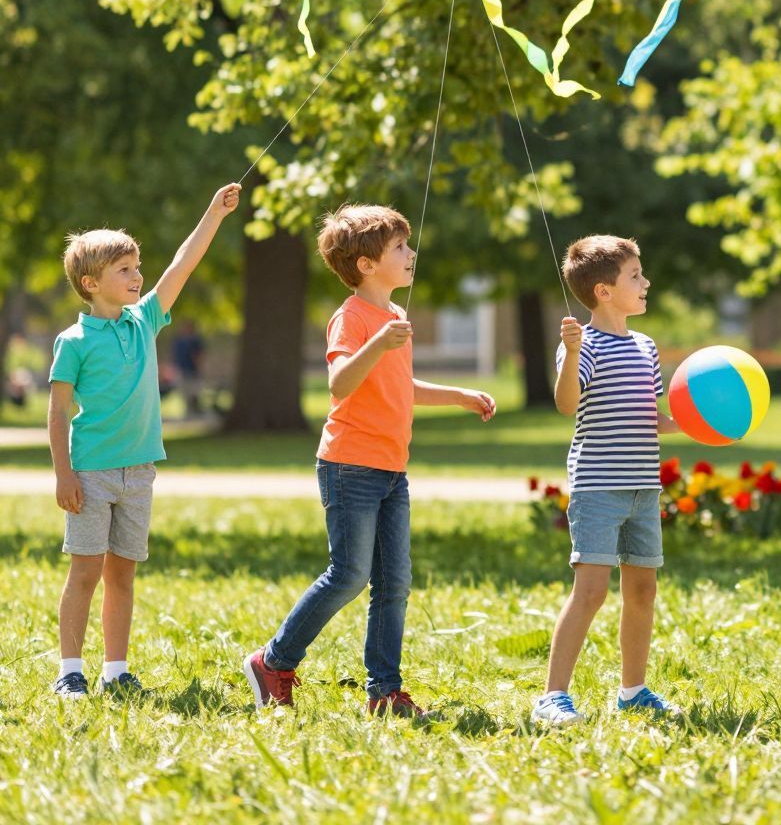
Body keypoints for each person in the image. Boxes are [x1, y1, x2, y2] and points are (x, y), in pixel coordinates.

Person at [242, 204, 496, 717]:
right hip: (349, 466)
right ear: (365, 265)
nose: (411, 254)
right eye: (400, 247)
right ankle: (274, 662)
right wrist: (378, 342)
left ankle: (384, 692)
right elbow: (340, 384)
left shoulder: (396, 317)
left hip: (390, 470)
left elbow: (401, 385)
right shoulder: (352, 317)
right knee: (348, 575)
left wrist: (460, 396)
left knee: (393, 583)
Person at [48, 183, 240, 698]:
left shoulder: (144, 320)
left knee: (123, 576)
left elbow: (184, 263)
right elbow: (58, 411)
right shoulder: (73, 341)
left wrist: (213, 215)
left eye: (137, 268)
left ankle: (116, 670)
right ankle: (71, 669)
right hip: (90, 473)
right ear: (92, 283)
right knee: (85, 572)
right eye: (125, 270)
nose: (138, 277)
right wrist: (64, 473)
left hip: (140, 472)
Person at [532, 235, 684, 726]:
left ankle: (633, 690)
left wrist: (699, 425)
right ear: (603, 291)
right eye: (635, 277)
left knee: (642, 591)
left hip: (643, 487)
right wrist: (572, 353)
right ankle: (552, 696)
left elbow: (651, 417)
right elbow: (566, 404)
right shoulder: (584, 344)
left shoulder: (645, 346)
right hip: (598, 487)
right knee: (591, 590)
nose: (646, 283)